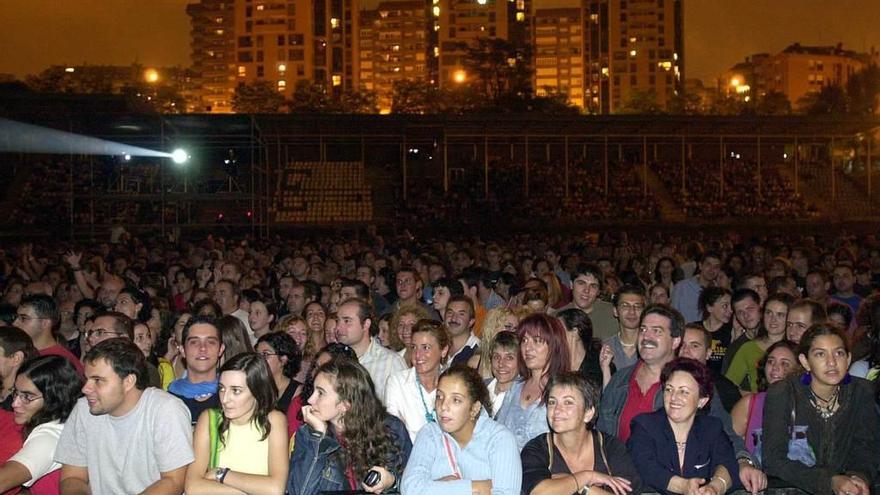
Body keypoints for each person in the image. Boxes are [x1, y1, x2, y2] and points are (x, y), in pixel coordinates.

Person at [55, 339, 194, 494]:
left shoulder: (165, 410)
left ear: (129, 381)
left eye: (98, 380)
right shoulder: (83, 409)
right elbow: (72, 478)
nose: (86, 388)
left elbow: (174, 481)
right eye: (87, 379)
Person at [763, 324, 879, 495]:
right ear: (805, 362)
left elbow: (866, 447)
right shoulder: (783, 393)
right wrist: (829, 481)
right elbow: (773, 459)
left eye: (839, 353)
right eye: (820, 354)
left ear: (848, 359)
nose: (831, 362)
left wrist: (858, 477)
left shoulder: (861, 392)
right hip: (795, 488)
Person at [287, 357, 412, 495]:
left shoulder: (389, 428)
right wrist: (318, 438)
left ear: (345, 404)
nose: (310, 400)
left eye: (320, 393)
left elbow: (413, 483)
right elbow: (300, 491)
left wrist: (393, 482)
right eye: (313, 391)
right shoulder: (307, 435)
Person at [401, 365, 521, 495]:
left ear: (474, 408)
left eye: (456, 400)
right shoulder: (430, 434)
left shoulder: (499, 440)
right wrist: (474, 488)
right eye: (439, 397)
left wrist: (437, 486)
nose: (443, 407)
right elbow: (410, 488)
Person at [628, 358, 739, 495]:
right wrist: (684, 486)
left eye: (684, 391)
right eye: (669, 389)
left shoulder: (711, 428)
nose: (673, 397)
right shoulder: (645, 426)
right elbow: (645, 467)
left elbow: (728, 463)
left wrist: (715, 487)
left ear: (702, 401)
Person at [521, 372, 642, 495]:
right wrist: (587, 477)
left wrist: (583, 488)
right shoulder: (537, 449)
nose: (557, 410)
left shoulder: (610, 448)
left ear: (588, 413)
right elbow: (538, 492)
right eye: (552, 402)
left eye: (568, 402)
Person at [184, 353, 288, 495]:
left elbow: (275, 489)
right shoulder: (210, 419)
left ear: (257, 391)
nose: (225, 399)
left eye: (236, 391)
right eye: (221, 388)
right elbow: (192, 487)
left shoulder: (274, 420)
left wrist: (220, 474)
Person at [597, 304, 684, 443]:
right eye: (643, 329)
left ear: (675, 341)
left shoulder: (691, 386)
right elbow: (602, 435)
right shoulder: (620, 380)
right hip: (619, 462)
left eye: (657, 331)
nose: (646, 337)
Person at [0, 356, 81, 495]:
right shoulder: (67, 422)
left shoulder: (50, 437)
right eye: (16, 393)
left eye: (27, 396)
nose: (15, 403)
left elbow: (3, 481)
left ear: (54, 399)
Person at [496, 313, 570, 449]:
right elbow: (497, 432)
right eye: (524, 340)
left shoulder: (565, 391)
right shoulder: (516, 387)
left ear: (554, 345)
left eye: (537, 340)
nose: (527, 348)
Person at [730, 340, 799, 470]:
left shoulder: (809, 405)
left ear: (799, 369)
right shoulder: (749, 404)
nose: (775, 367)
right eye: (771, 361)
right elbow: (726, 446)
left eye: (784, 363)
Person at [386, 319, 451, 441]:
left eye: (425, 347)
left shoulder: (455, 383)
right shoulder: (398, 382)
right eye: (414, 347)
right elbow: (396, 434)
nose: (417, 355)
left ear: (443, 350)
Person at [334, 298, 406, 402]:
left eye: (347, 321)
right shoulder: (334, 358)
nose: (339, 327)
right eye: (338, 321)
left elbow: (401, 408)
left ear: (366, 324)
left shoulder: (391, 362)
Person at [725, 293, 793, 392]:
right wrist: (751, 399)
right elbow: (727, 385)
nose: (773, 319)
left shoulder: (795, 348)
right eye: (769, 313)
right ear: (762, 314)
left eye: (780, 315)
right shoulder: (748, 348)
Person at [168, 316, 225, 425]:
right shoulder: (169, 398)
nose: (203, 348)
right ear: (182, 350)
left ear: (221, 349)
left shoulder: (232, 396)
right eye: (194, 342)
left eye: (211, 342)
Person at [13, 295, 83, 375]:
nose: (15, 323)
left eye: (23, 318)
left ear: (44, 323)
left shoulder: (61, 362)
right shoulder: (16, 350)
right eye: (16, 317)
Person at [255, 332, 301, 412]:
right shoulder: (253, 386)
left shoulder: (297, 391)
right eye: (257, 355)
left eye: (266, 354)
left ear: (283, 359)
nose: (259, 359)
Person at [671, 252, 722, 324]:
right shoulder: (682, 287)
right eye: (708, 265)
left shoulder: (720, 292)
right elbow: (673, 315)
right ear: (700, 266)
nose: (712, 269)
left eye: (716, 267)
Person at [698, 287, 733, 376]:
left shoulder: (732, 331)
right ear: (710, 307)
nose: (730, 310)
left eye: (731, 306)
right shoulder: (696, 330)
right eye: (725, 306)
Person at [485, 331, 519, 417]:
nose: (501, 364)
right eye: (496, 357)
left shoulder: (524, 397)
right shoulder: (479, 388)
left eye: (509, 358)